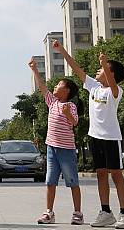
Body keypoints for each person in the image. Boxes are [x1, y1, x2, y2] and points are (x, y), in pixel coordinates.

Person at [54, 40, 124, 229]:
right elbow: (76, 68)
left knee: (116, 175)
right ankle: (106, 212)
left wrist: (104, 64)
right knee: (101, 175)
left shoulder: (115, 91)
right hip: (95, 137)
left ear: (110, 73)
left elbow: (112, 85)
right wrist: (61, 50)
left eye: (102, 70)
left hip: (111, 138)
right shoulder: (94, 87)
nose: (97, 72)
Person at [29, 57, 84, 225]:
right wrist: (35, 70)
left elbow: (74, 122)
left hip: (66, 150)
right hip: (51, 149)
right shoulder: (52, 103)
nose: (54, 86)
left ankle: (77, 213)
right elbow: (42, 87)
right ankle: (49, 212)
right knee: (50, 182)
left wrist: (67, 113)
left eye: (58, 85)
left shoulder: (71, 106)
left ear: (66, 90)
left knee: (72, 181)